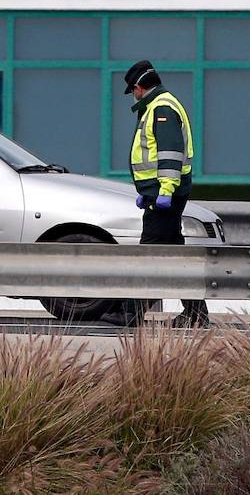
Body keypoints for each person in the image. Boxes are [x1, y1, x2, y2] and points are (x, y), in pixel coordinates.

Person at [100, 60, 210, 328]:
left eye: (133, 90)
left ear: (139, 87)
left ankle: (131, 312)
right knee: (176, 256)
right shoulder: (161, 105)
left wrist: (164, 192)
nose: (134, 95)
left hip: (164, 198)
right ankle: (196, 315)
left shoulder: (161, 108)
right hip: (160, 195)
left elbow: (170, 155)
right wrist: (149, 192)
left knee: (148, 255)